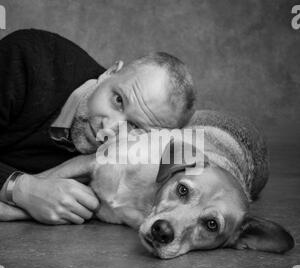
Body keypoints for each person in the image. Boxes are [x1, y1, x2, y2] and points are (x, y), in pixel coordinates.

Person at [0, 29, 195, 225]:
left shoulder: (124, 164)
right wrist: (20, 189)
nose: (108, 128)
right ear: (110, 73)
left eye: (134, 127)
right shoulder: (27, 59)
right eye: (118, 100)